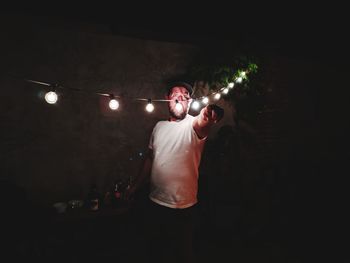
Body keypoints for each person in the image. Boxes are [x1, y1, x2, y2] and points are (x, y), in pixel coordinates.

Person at [125, 81, 223, 263]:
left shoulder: (193, 124)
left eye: (185, 95)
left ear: (189, 102)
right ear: (167, 100)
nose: (180, 97)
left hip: (183, 208)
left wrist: (210, 113)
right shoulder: (158, 126)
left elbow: (204, 120)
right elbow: (150, 158)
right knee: (156, 252)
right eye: (175, 94)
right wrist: (135, 186)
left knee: (182, 255)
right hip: (154, 201)